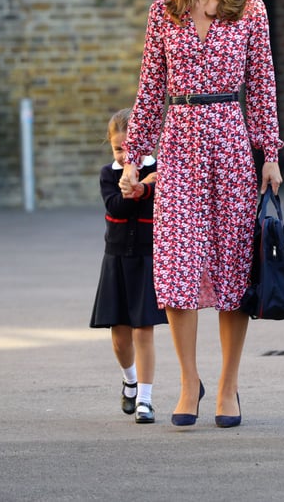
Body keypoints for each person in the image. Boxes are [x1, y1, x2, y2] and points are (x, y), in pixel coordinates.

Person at [118, 0, 283, 429]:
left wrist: (271, 153)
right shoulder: (162, 13)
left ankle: (229, 386)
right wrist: (131, 159)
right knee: (178, 269)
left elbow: (262, 87)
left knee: (234, 270)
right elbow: (149, 91)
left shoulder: (250, 10)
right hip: (180, 145)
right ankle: (189, 381)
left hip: (231, 143)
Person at [89, 108, 167, 424]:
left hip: (147, 258)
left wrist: (146, 184)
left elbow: (158, 201)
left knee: (143, 330)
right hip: (116, 258)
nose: (124, 155)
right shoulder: (109, 175)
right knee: (120, 334)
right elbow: (116, 206)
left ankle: (146, 400)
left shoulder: (159, 170)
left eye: (130, 148)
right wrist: (138, 185)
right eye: (118, 148)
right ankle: (130, 381)